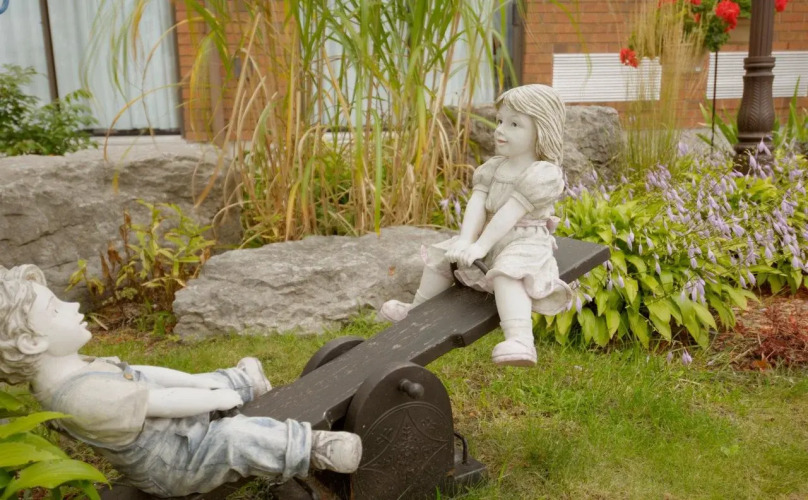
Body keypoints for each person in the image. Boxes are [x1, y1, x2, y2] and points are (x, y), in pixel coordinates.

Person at [0, 264, 362, 498]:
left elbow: (146, 375)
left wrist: (200, 381)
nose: (73, 307)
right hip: (174, 463)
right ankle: (311, 448)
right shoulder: (81, 397)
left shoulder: (76, 369)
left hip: (171, 430)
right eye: (55, 309)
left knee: (206, 385)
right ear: (31, 343)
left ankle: (243, 382)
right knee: (233, 438)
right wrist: (214, 399)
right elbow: (162, 402)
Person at [378, 84, 573, 367]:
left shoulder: (543, 174)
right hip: (488, 237)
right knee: (440, 255)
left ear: (541, 130)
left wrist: (481, 246)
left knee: (509, 272)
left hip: (524, 240)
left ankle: (520, 339)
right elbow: (478, 203)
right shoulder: (494, 167)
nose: (500, 130)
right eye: (500, 121)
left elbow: (510, 213)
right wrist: (465, 240)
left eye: (514, 124)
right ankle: (416, 311)